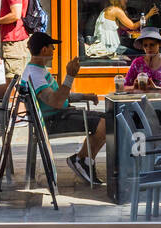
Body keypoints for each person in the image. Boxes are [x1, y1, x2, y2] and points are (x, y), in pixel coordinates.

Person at [21, 33, 105, 186]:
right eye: (52, 47)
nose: (54, 50)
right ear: (44, 49)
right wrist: (70, 76)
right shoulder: (35, 73)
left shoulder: (37, 70)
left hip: (58, 115)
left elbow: (59, 95)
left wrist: (83, 96)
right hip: (52, 120)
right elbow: (55, 101)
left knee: (109, 118)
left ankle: (83, 160)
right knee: (105, 124)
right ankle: (81, 161)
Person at [85, 0, 156, 58]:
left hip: (107, 45)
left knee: (136, 51)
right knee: (140, 55)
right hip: (111, 48)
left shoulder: (108, 9)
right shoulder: (116, 10)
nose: (126, 1)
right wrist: (149, 15)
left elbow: (124, 27)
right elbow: (132, 26)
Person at [122, 27, 161, 97]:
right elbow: (124, 88)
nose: (148, 48)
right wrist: (134, 87)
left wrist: (157, 88)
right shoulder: (137, 63)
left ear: (159, 44)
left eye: (152, 45)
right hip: (143, 103)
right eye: (145, 45)